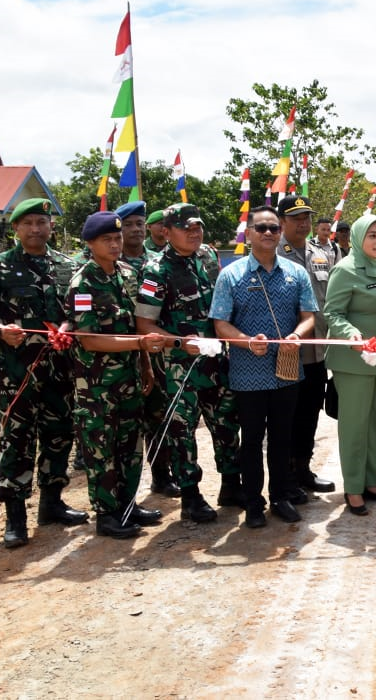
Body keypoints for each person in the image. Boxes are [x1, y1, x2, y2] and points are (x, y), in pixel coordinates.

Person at [0, 197, 87, 547]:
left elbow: (76, 310)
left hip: (60, 370)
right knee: (16, 440)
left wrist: (67, 325)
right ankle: (15, 518)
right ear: (16, 229)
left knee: (60, 433)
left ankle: (52, 504)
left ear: (51, 226)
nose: (36, 229)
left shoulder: (68, 266)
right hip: (16, 373)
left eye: (42, 222)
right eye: (28, 223)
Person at [135, 203, 242, 523]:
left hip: (217, 360)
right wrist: (182, 342)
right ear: (166, 233)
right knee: (182, 432)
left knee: (226, 423)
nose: (194, 232)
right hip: (180, 366)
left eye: (198, 226)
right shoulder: (156, 270)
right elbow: (144, 324)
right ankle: (191, 496)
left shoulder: (209, 257)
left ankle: (230, 485)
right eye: (186, 228)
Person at [212, 205, 317, 527]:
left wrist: (296, 336)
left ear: (280, 232)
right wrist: (245, 341)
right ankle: (254, 504)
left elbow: (309, 315)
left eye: (274, 228)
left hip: (287, 371)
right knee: (253, 440)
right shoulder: (231, 275)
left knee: (283, 438)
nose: (269, 233)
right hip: (247, 373)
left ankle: (281, 496)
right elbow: (220, 323)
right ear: (249, 234)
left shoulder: (295, 273)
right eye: (262, 228)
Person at [66, 211, 166, 538]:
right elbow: (89, 338)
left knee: (129, 444)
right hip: (96, 385)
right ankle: (107, 514)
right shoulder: (83, 283)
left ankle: (127, 504)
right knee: (101, 448)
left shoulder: (125, 274)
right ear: (91, 244)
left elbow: (133, 324)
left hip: (128, 379)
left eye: (117, 238)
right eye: (106, 239)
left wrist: (145, 363)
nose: (115, 244)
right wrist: (140, 343)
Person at [322, 214, 376, 516]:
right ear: (358, 238)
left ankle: (370, 481)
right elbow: (333, 313)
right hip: (354, 362)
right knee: (354, 427)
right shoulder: (345, 270)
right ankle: (353, 489)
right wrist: (351, 335)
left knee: (375, 424)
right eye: (373, 236)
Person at [114, 199, 178, 497]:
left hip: (157, 354)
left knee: (159, 415)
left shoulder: (159, 262)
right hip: (116, 358)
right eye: (128, 225)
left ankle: (161, 475)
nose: (136, 229)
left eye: (140, 223)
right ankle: (119, 494)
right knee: (122, 425)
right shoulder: (109, 265)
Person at [275, 196, 336, 496]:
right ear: (282, 221)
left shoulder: (322, 253)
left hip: (317, 349)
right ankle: (285, 475)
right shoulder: (272, 252)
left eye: (306, 217)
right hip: (286, 351)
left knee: (311, 411)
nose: (303, 223)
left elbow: (329, 300)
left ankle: (303, 468)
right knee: (287, 414)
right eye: (296, 217)